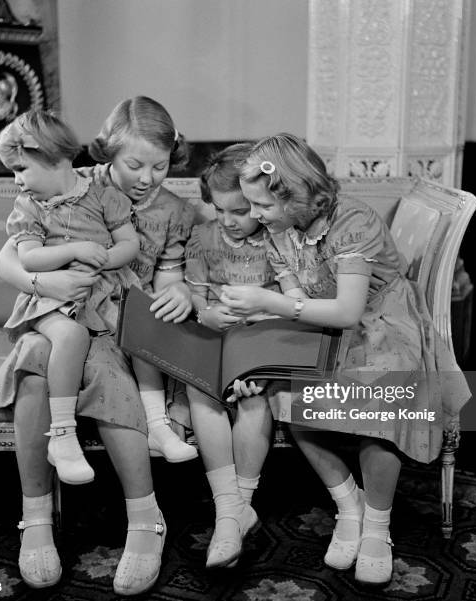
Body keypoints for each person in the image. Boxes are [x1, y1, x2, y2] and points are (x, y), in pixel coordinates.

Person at [220, 133, 470, 586]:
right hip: (323, 324)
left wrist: (269, 303)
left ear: (293, 193)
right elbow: (297, 293)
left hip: (383, 321)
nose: (254, 215)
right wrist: (270, 322)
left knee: (382, 406)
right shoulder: (281, 228)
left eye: (262, 206)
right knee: (289, 400)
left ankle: (378, 528)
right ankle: (349, 504)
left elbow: (350, 311)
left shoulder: (352, 222)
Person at [0, 96, 196, 595]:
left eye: (160, 166)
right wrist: (47, 287)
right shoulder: (77, 183)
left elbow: (169, 276)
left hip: (117, 319)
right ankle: (36, 516)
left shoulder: (175, 212)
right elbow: (9, 261)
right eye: (133, 165)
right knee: (36, 357)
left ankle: (145, 517)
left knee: (100, 367)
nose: (147, 177)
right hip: (56, 309)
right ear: (107, 156)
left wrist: (181, 290)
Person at [0, 109, 140, 487]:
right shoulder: (29, 207)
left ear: (56, 159)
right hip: (46, 303)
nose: (17, 181)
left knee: (137, 338)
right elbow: (28, 257)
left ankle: (155, 422)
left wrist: (102, 258)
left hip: (96, 298)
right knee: (71, 336)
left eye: (21, 169)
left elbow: (130, 245)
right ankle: (62, 434)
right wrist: (76, 249)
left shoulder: (102, 194)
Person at [184, 144, 276, 568]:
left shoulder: (279, 239)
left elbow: (290, 301)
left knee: (252, 396)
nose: (228, 221)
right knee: (199, 387)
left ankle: (238, 507)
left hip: (262, 340)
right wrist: (206, 313)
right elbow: (195, 296)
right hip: (213, 337)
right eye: (219, 210)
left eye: (240, 211)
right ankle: (229, 511)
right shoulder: (204, 238)